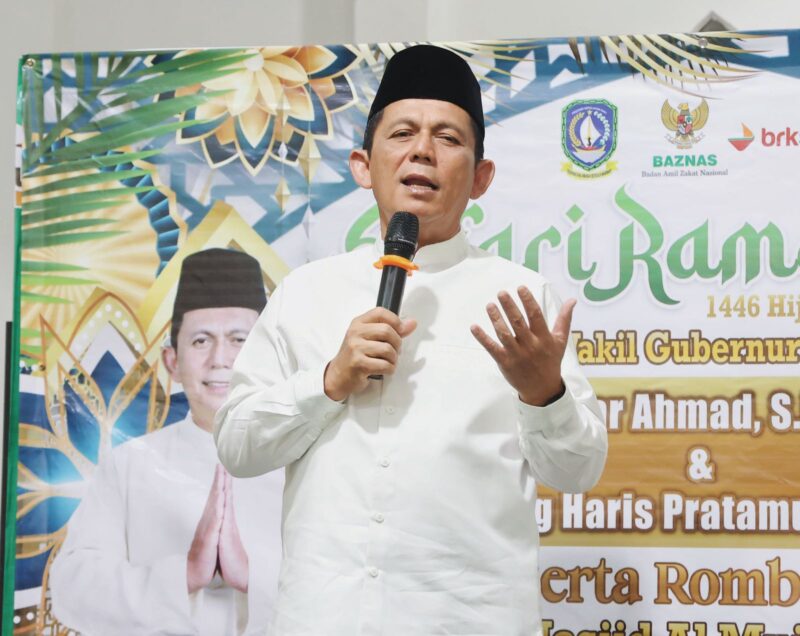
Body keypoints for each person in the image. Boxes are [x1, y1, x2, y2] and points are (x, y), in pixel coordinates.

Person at [215, 45, 608, 635]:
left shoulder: (521, 300)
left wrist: (543, 393)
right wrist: (328, 383)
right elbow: (237, 447)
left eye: (448, 138)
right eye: (402, 132)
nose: (422, 150)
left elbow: (579, 470)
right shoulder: (306, 293)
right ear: (362, 164)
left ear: (480, 178)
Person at [50, 249, 283, 636]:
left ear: (267, 357)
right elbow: (71, 588)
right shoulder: (129, 464)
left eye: (239, 339)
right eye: (201, 341)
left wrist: (253, 576)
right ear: (172, 362)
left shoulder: (303, 460)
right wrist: (185, 575)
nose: (220, 359)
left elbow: (350, 590)